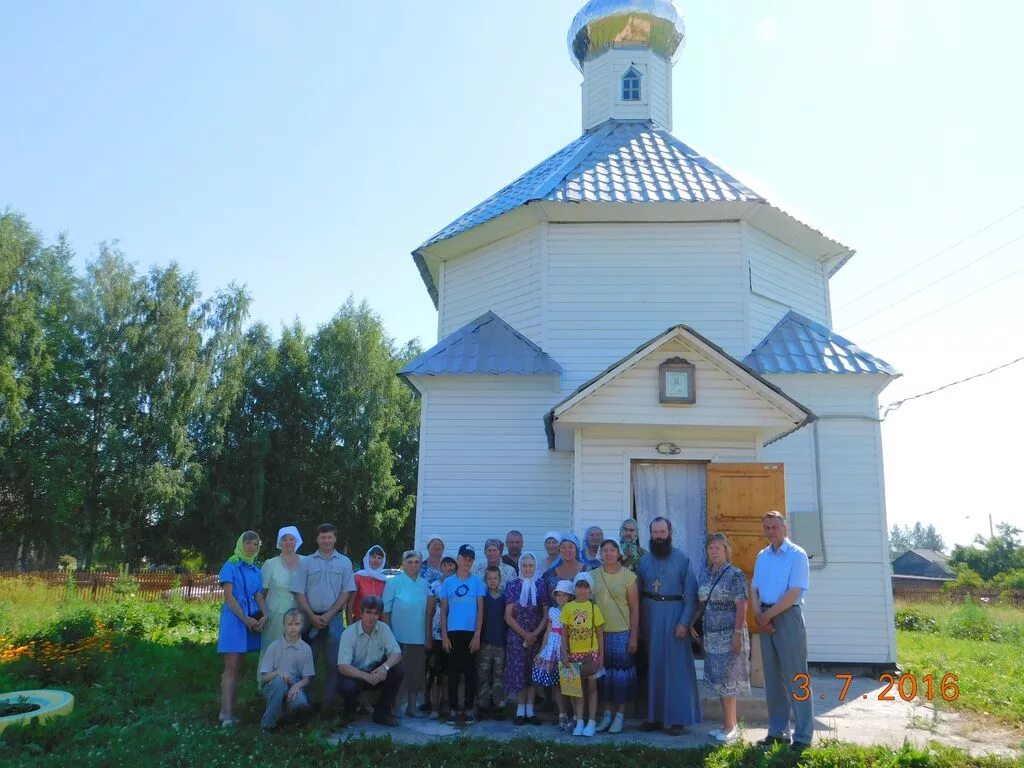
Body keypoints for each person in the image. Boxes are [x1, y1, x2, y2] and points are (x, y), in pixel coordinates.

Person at [751, 511, 812, 751]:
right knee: (773, 679)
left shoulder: (797, 555)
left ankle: (804, 736)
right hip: (765, 618)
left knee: (796, 676)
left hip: (787, 617)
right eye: (766, 527)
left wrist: (769, 615)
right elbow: (754, 588)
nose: (770, 531)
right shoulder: (761, 556)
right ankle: (778, 732)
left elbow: (795, 592)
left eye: (774, 527)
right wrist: (759, 615)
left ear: (784, 527)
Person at [636, 517, 701, 735]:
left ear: (670, 532)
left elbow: (691, 595)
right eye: (655, 532)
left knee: (676, 669)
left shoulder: (682, 559)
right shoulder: (643, 561)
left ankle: (677, 719)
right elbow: (637, 593)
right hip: (650, 616)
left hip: (674, 616)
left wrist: (684, 622)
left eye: (663, 531)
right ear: (650, 534)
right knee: (654, 666)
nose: (659, 536)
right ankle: (654, 717)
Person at [690, 532, 750, 743]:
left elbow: (742, 604)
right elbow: (701, 604)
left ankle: (731, 726)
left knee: (728, 681)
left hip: (729, 635)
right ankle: (726, 724)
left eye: (718, 548)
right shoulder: (706, 574)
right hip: (711, 637)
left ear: (726, 551)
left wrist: (736, 635)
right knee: (718, 681)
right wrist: (690, 622)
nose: (714, 551)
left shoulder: (735, 574)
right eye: (710, 548)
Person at [291, 522, 355, 711]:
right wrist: (311, 615)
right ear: (317, 539)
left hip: (333, 620)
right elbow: (298, 591)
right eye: (323, 537)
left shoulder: (345, 562)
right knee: (307, 662)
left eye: (330, 537)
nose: (326, 540)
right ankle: (306, 706)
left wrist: (328, 614)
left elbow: (346, 592)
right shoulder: (306, 562)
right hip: (308, 620)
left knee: (333, 662)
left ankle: (329, 706)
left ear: (335, 538)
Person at [217, 530, 268, 727]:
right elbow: (229, 597)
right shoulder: (230, 566)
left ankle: (232, 710)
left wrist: (266, 614)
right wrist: (245, 619)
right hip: (234, 619)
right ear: (241, 544)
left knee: (238, 666)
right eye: (248, 543)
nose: (251, 547)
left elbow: (259, 596)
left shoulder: (255, 570)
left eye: (255, 544)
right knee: (231, 667)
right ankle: (225, 714)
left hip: (250, 621)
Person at [591, 538, 639, 734]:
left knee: (621, 677)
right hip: (599, 633)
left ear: (618, 553)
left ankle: (620, 716)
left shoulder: (629, 577)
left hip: (622, 633)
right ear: (600, 554)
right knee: (604, 676)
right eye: (604, 551)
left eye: (612, 550)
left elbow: (635, 609)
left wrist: (634, 636)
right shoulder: (592, 575)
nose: (608, 554)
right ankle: (607, 715)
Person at [336, 595, 404, 727]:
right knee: (347, 686)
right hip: (355, 673)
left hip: (376, 671)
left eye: (376, 613)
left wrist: (385, 668)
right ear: (361, 613)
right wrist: (365, 676)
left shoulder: (383, 628)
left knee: (398, 671)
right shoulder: (349, 633)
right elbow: (343, 666)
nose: (371, 617)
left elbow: (397, 653)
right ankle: (349, 711)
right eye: (368, 612)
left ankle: (382, 713)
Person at [440, 544, 486, 725]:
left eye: (470, 559)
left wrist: (477, 635)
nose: (467, 562)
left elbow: (480, 611)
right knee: (452, 673)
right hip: (452, 633)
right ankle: (452, 709)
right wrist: (444, 636)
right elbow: (443, 611)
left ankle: (468, 709)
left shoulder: (477, 582)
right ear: (458, 559)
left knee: (470, 674)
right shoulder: (448, 582)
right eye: (464, 558)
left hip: (470, 634)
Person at [382, 549, 430, 718]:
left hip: (418, 637)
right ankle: (394, 707)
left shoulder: (424, 583)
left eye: (417, 562)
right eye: (409, 562)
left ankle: (411, 706)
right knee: (397, 673)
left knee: (415, 673)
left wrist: (427, 636)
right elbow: (385, 611)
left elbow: (429, 611)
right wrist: (388, 635)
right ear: (403, 564)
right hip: (398, 637)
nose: (413, 565)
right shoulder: (394, 583)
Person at [504, 552, 547, 726]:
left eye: (531, 565)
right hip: (517, 636)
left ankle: (530, 709)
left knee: (532, 672)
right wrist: (525, 634)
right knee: (520, 672)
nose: (527, 569)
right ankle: (520, 709)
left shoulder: (541, 584)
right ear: (520, 567)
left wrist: (535, 634)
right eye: (524, 565)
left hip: (536, 635)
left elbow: (545, 614)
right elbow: (508, 616)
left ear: (535, 567)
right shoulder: (513, 585)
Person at [561, 572, 604, 738]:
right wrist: (565, 653)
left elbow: (600, 633)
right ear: (575, 588)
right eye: (579, 586)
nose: (582, 590)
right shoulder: (568, 608)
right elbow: (564, 633)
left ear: (590, 590)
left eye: (586, 587)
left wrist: (601, 656)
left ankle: (592, 721)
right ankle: (579, 720)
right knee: (576, 690)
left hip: (591, 654)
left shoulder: (594, 608)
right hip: (573, 655)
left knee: (592, 688)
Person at [258, 526, 304, 681]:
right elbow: (261, 593)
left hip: (299, 614)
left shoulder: (306, 562)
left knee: (295, 650)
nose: (288, 542)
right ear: (279, 542)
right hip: (275, 614)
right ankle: (267, 683)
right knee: (272, 647)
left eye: (291, 539)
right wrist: (263, 614)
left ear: (297, 541)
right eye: (284, 539)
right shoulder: (270, 564)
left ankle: (292, 686)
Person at [258, 608, 314, 732]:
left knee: (300, 703)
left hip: (294, 683)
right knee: (279, 682)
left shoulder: (306, 649)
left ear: (302, 625)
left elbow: (307, 679)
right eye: (289, 624)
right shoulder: (274, 646)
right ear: (283, 625)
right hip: (273, 684)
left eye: (296, 624)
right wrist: (277, 672)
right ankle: (268, 724)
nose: (293, 628)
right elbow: (264, 677)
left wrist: (297, 686)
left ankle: (288, 717)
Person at [533, 579, 571, 730]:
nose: (561, 598)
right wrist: (542, 651)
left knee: (568, 683)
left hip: (565, 647)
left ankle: (572, 713)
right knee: (556, 683)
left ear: (570, 597)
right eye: (558, 595)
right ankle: (561, 713)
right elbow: (548, 631)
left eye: (564, 596)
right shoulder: (553, 611)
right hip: (552, 649)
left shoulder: (572, 611)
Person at [424, 552, 457, 717]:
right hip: (437, 636)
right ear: (441, 567)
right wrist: (428, 636)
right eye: (445, 565)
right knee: (435, 671)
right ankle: (434, 706)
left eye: (451, 564)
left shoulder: (459, 585)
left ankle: (447, 704)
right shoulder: (434, 586)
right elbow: (429, 613)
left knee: (450, 672)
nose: (448, 567)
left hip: (454, 634)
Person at [476, 566, 507, 718]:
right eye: (489, 578)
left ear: (500, 580)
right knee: (483, 674)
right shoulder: (482, 598)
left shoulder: (505, 598)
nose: (492, 581)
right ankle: (482, 705)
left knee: (499, 675)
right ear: (485, 580)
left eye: (495, 578)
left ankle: (499, 705)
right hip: (485, 643)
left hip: (500, 643)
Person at [541, 534, 585, 602]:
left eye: (571, 547)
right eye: (563, 547)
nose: (567, 550)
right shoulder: (549, 574)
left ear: (577, 550)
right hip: (555, 612)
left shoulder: (587, 571)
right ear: (559, 550)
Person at [350, 544, 388, 623]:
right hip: (359, 622)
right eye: (373, 557)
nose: (376, 560)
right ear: (367, 558)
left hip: (378, 624)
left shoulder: (385, 581)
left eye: (379, 558)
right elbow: (350, 604)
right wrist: (349, 627)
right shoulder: (358, 577)